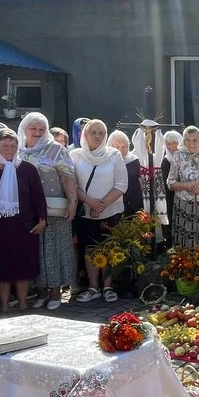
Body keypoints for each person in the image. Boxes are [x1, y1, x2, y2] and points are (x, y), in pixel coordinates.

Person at [0, 129, 47, 316]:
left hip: (23, 227)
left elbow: (38, 196)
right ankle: (4, 307)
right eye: (5, 145)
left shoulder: (28, 169)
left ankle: (22, 305)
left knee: (22, 267)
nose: (9, 149)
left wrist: (43, 220)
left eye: (13, 145)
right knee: (0, 267)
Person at [17, 112, 77, 311]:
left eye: (42, 129)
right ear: (24, 129)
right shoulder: (18, 150)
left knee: (54, 250)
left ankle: (55, 292)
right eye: (33, 128)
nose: (37, 132)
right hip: (27, 210)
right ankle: (41, 292)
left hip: (53, 210)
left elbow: (68, 177)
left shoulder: (56, 149)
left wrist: (73, 202)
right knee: (36, 251)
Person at [71, 119, 127, 303]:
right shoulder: (75, 155)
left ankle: (108, 286)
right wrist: (91, 203)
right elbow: (73, 185)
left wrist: (101, 204)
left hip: (111, 211)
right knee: (90, 249)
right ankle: (93, 287)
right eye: (93, 132)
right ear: (85, 135)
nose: (97, 136)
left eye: (101, 132)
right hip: (86, 211)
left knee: (110, 248)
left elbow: (121, 184)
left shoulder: (114, 155)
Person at [166, 126, 199, 252]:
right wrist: (184, 185)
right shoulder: (178, 155)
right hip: (183, 205)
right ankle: (186, 269)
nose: (191, 144)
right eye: (188, 140)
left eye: (195, 140)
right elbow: (170, 182)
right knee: (184, 244)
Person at [108, 130, 141, 217]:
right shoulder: (106, 162)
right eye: (117, 147)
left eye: (124, 147)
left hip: (134, 201)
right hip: (113, 201)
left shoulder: (134, 160)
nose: (120, 150)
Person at [160, 130, 181, 247]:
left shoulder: (185, 158)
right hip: (169, 196)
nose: (172, 146)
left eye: (174, 143)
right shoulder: (166, 160)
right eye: (168, 144)